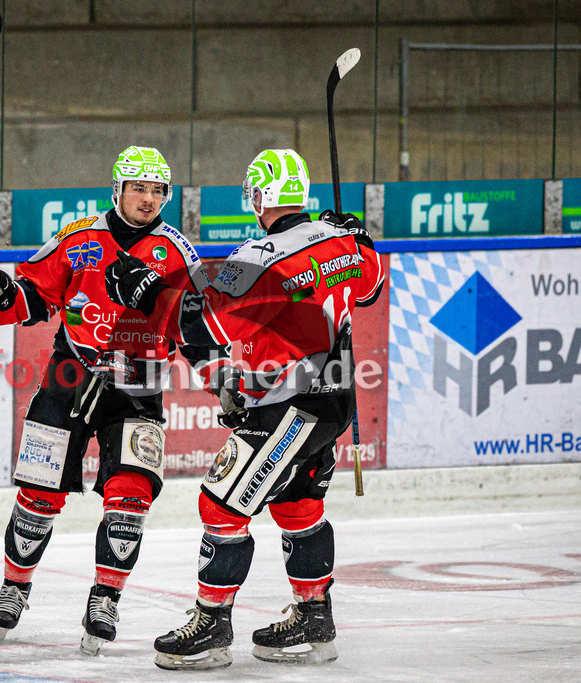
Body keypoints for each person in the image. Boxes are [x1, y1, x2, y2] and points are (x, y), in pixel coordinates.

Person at [105, 148, 385, 669]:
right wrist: (359, 238)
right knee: (297, 505)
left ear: (258, 197)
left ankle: (211, 627)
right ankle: (314, 621)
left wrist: (146, 290)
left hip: (288, 405)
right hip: (335, 402)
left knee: (221, 505)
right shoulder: (346, 242)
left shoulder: (258, 255)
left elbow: (197, 313)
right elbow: (370, 291)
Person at [0, 145, 223, 655]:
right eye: (138, 188)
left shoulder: (178, 252)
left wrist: (223, 379)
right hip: (69, 374)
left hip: (138, 385)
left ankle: (106, 597)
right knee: (38, 493)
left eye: (157, 191)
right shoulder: (78, 238)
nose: (148, 200)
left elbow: (193, 329)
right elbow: (33, 299)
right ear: (117, 189)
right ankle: (15, 587)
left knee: (130, 499)